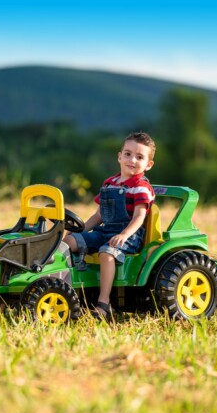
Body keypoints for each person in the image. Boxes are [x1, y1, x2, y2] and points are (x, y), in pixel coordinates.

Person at [64, 132, 156, 319]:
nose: (132, 160)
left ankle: (103, 303)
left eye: (139, 157)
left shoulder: (141, 187)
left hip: (129, 236)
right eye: (128, 154)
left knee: (106, 253)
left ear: (148, 164)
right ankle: (69, 287)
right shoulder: (110, 183)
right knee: (68, 242)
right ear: (119, 156)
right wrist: (81, 230)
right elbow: (99, 215)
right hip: (104, 231)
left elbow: (139, 217)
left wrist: (124, 234)